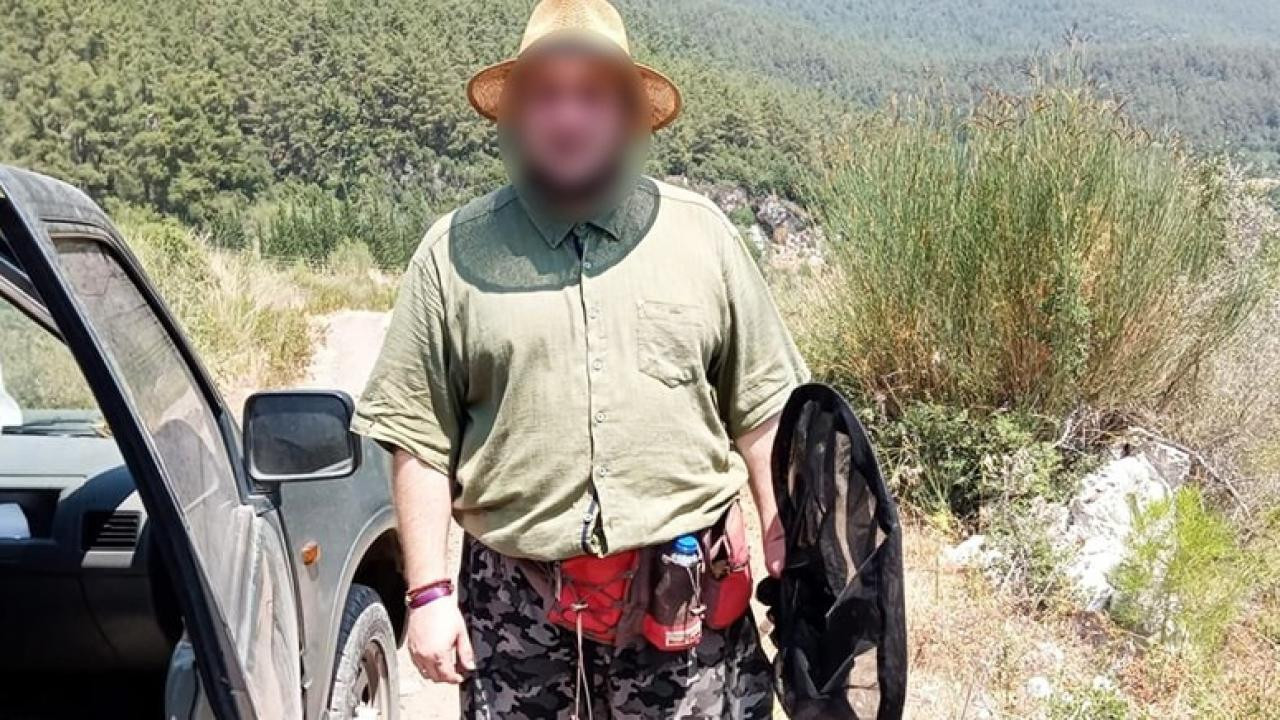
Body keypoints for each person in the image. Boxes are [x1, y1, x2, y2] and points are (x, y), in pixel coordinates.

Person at [353, 0, 808, 717]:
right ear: (517, 116)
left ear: (627, 115)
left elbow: (763, 410)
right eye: (546, 96)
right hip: (517, 614)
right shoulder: (451, 255)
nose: (568, 117)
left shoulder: (704, 239)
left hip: (687, 609)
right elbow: (419, 438)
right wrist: (430, 594)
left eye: (592, 96)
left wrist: (785, 534)